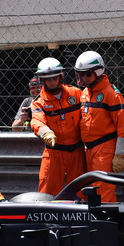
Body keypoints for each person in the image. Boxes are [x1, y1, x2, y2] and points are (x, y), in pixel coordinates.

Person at [74, 51, 124, 203]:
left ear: (98, 72)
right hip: (89, 150)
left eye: (87, 74)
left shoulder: (111, 94)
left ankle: (107, 224)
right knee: (88, 191)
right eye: (81, 75)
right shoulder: (86, 93)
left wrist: (120, 155)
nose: (83, 78)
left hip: (105, 150)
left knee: (103, 192)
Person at [29, 57, 87, 195]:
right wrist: (45, 132)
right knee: (47, 193)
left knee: (80, 193)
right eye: (48, 79)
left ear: (60, 77)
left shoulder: (76, 93)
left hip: (77, 153)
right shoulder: (39, 103)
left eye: (55, 78)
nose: (52, 81)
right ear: (42, 80)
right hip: (54, 153)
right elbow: (37, 121)